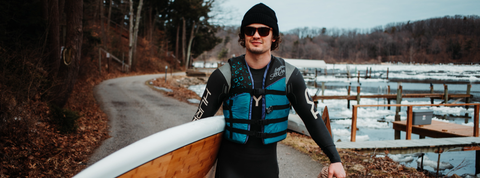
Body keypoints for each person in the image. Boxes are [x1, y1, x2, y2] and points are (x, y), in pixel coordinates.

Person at [192, 3, 346, 178]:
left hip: (267, 171)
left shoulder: (290, 77)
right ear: (243, 35)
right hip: (229, 171)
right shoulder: (224, 76)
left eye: (263, 31)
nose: (256, 35)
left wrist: (335, 159)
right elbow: (197, 125)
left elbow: (312, 118)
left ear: (274, 37)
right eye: (250, 30)